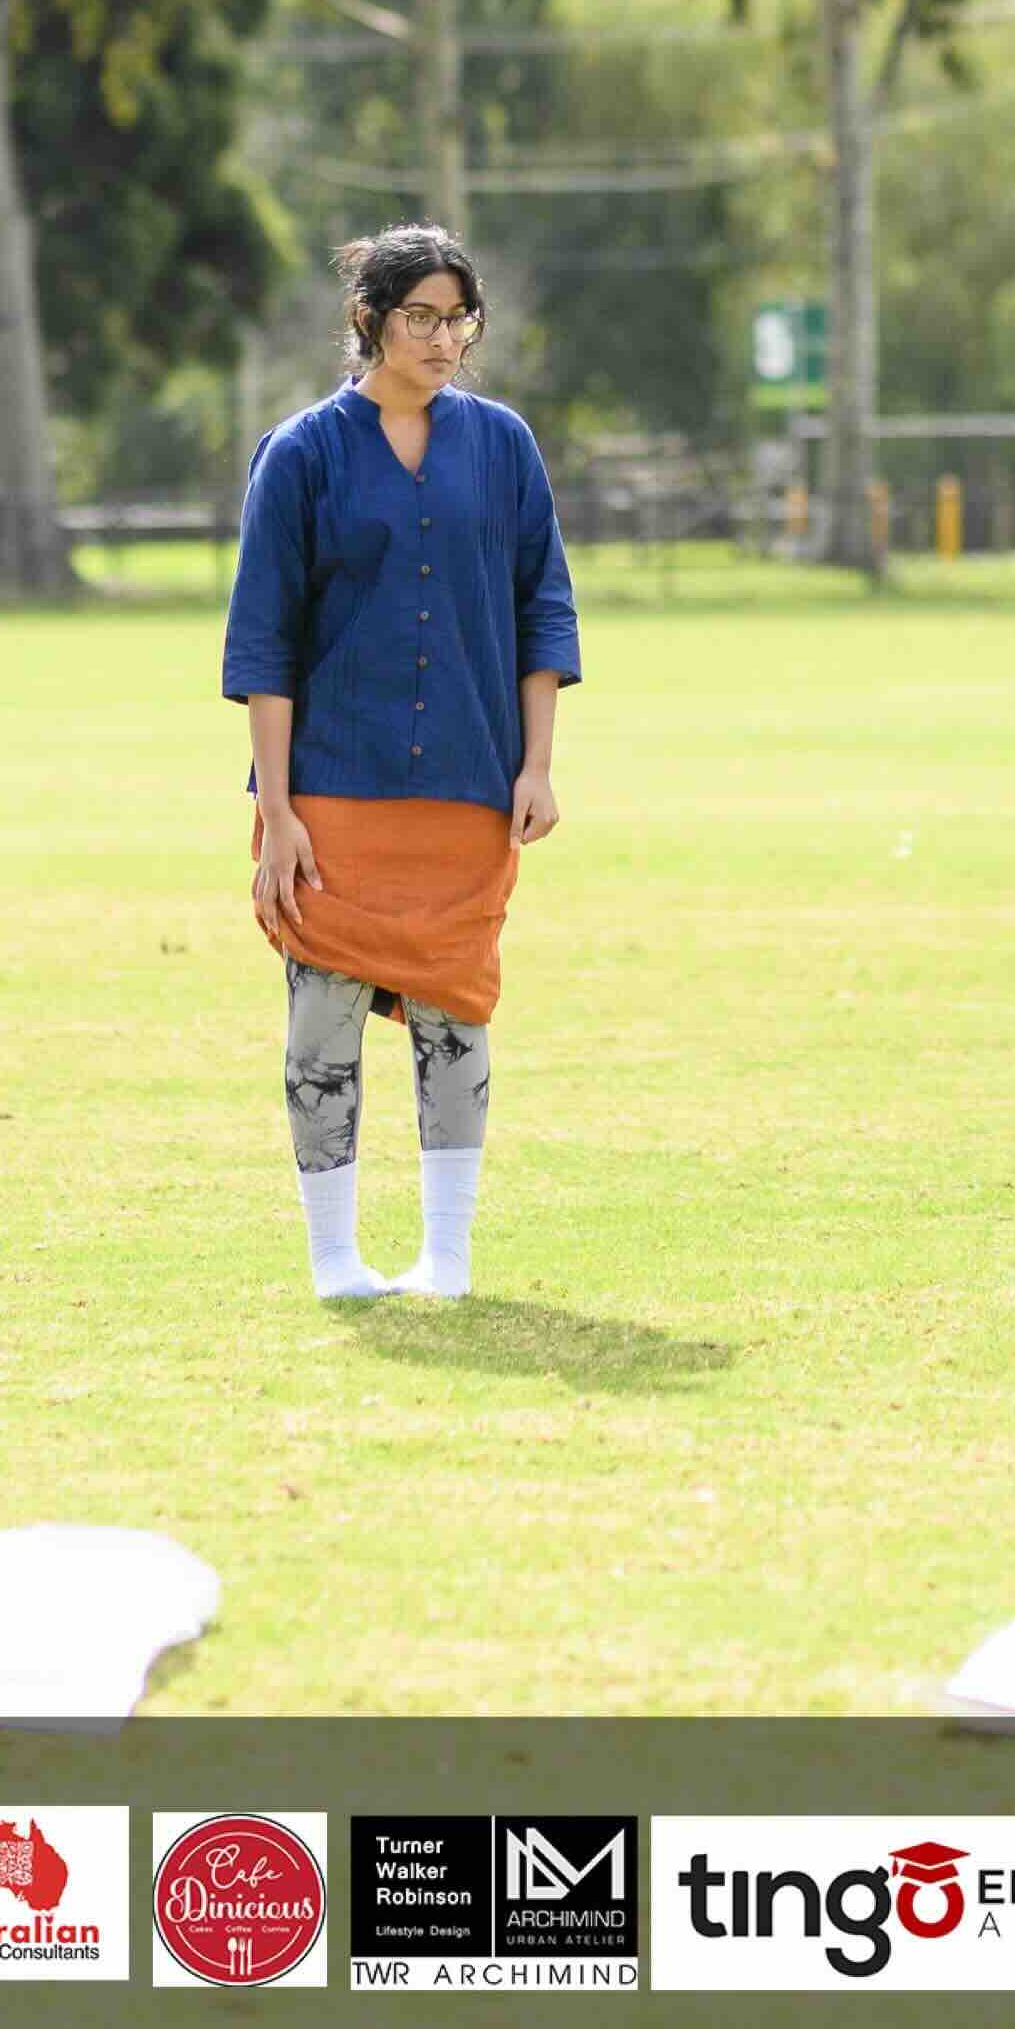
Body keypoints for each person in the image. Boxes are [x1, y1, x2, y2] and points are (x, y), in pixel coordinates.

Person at [226, 226, 578, 1304]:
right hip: (333, 788)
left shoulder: (504, 445)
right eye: (420, 316)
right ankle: (335, 1258)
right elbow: (265, 641)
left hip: (471, 779)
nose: (442, 339)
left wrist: (538, 765)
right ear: (369, 319)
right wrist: (277, 807)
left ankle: (448, 1257)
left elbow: (541, 609)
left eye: (458, 318)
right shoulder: (302, 453)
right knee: (323, 1021)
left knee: (455, 1016)